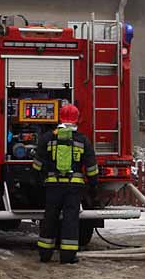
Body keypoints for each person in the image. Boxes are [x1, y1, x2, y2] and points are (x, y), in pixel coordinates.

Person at [31, 103, 99, 264]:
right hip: (73, 188)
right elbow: (91, 167)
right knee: (70, 220)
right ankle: (68, 256)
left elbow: (37, 164)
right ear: (77, 119)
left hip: (53, 187)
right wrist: (93, 185)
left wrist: (38, 181)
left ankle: (45, 254)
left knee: (49, 219)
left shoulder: (48, 138)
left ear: (60, 117)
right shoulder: (82, 140)